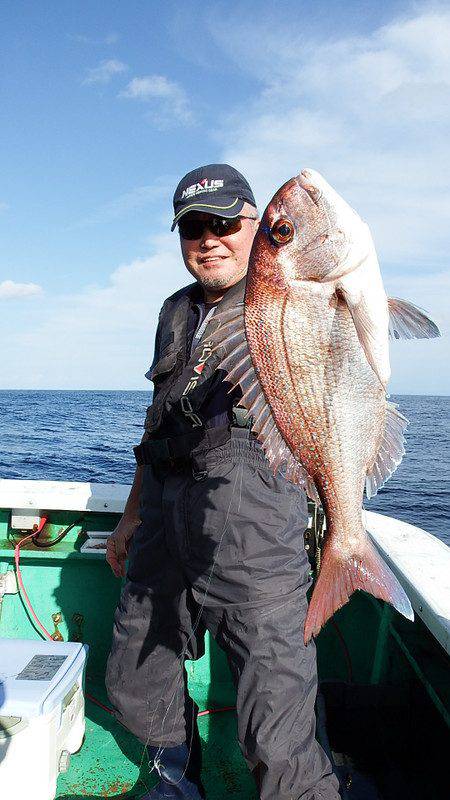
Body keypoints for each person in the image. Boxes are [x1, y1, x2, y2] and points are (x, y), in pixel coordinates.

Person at [105, 164, 341, 800]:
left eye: (224, 224)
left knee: (277, 714)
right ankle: (174, 776)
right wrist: (131, 515)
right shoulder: (174, 311)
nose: (208, 239)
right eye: (192, 227)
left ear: (256, 227)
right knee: (135, 670)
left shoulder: (292, 299)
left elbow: (347, 362)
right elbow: (157, 421)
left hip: (255, 525)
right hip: (166, 513)